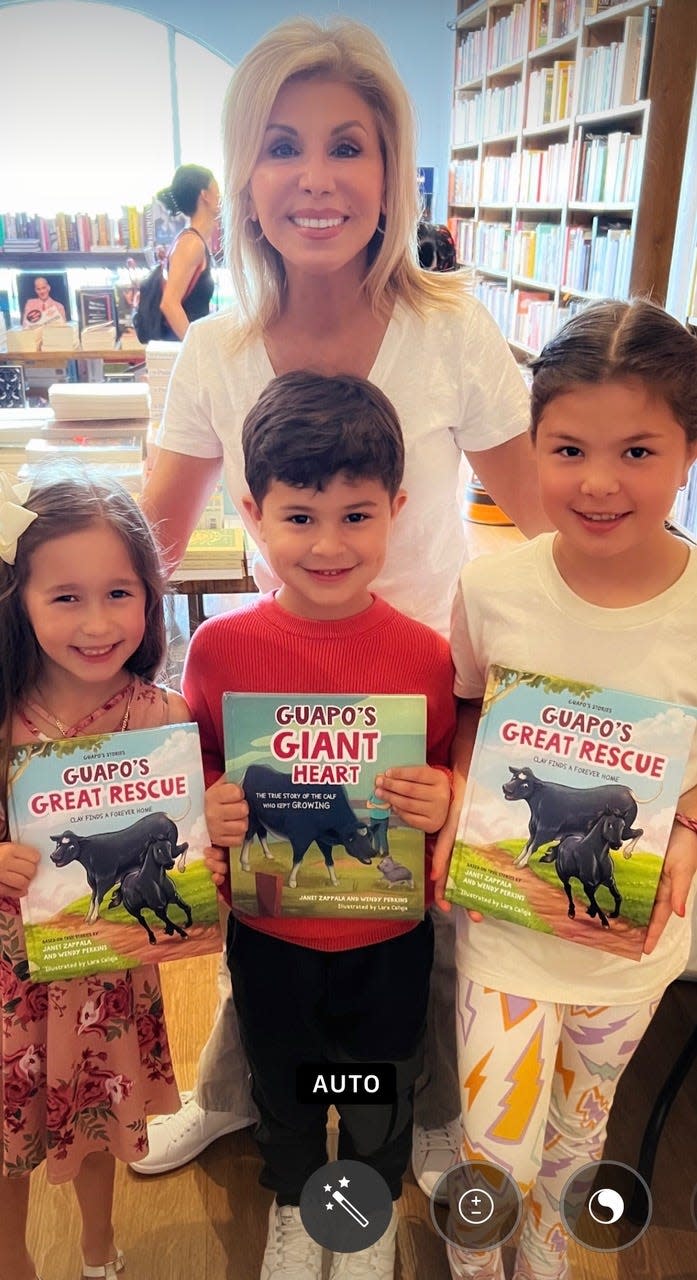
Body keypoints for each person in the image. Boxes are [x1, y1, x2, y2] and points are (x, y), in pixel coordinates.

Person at [137, 15, 549, 1193]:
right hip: (284, 687)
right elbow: (148, 543)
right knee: (274, 918)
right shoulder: (217, 346)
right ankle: (244, 1100)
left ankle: (417, 1116)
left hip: (434, 683)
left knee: (410, 937)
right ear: (243, 177)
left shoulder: (449, 327)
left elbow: (545, 521)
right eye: (280, 146)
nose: (314, 178)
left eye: (347, 146)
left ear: (390, 170)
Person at [432, 298, 697, 1280]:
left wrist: (687, 830)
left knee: (576, 1145)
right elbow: (467, 707)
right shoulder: (491, 589)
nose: (596, 482)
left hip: (630, 951)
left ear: (686, 452)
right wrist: (464, 786)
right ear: (530, 445)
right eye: (567, 447)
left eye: (637, 450)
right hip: (506, 931)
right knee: (490, 1148)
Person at [183, 369, 457, 1278]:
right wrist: (213, 804)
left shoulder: (425, 656)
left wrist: (440, 800)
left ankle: (364, 1209)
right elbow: (203, 765)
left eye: (355, 515)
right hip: (270, 931)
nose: (328, 544)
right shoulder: (219, 650)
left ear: (397, 510)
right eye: (300, 516)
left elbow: (450, 774)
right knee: (287, 1083)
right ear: (253, 510)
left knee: (380, 1079)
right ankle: (301, 1204)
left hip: (390, 931)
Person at [0, 469, 189, 1280]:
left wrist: (213, 830)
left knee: (104, 1115)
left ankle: (99, 1248)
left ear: (150, 596)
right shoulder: (3, 714)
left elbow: (183, 849)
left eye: (119, 593)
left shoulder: (164, 718)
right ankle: (12, 1261)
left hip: (108, 976)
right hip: (10, 971)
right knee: (7, 1135)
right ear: (20, 599)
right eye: (66, 598)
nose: (97, 622)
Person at [156, 164, 219, 340]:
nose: (221, 197)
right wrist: (195, 350)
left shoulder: (194, 240)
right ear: (205, 195)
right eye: (218, 190)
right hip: (181, 350)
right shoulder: (191, 244)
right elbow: (169, 303)